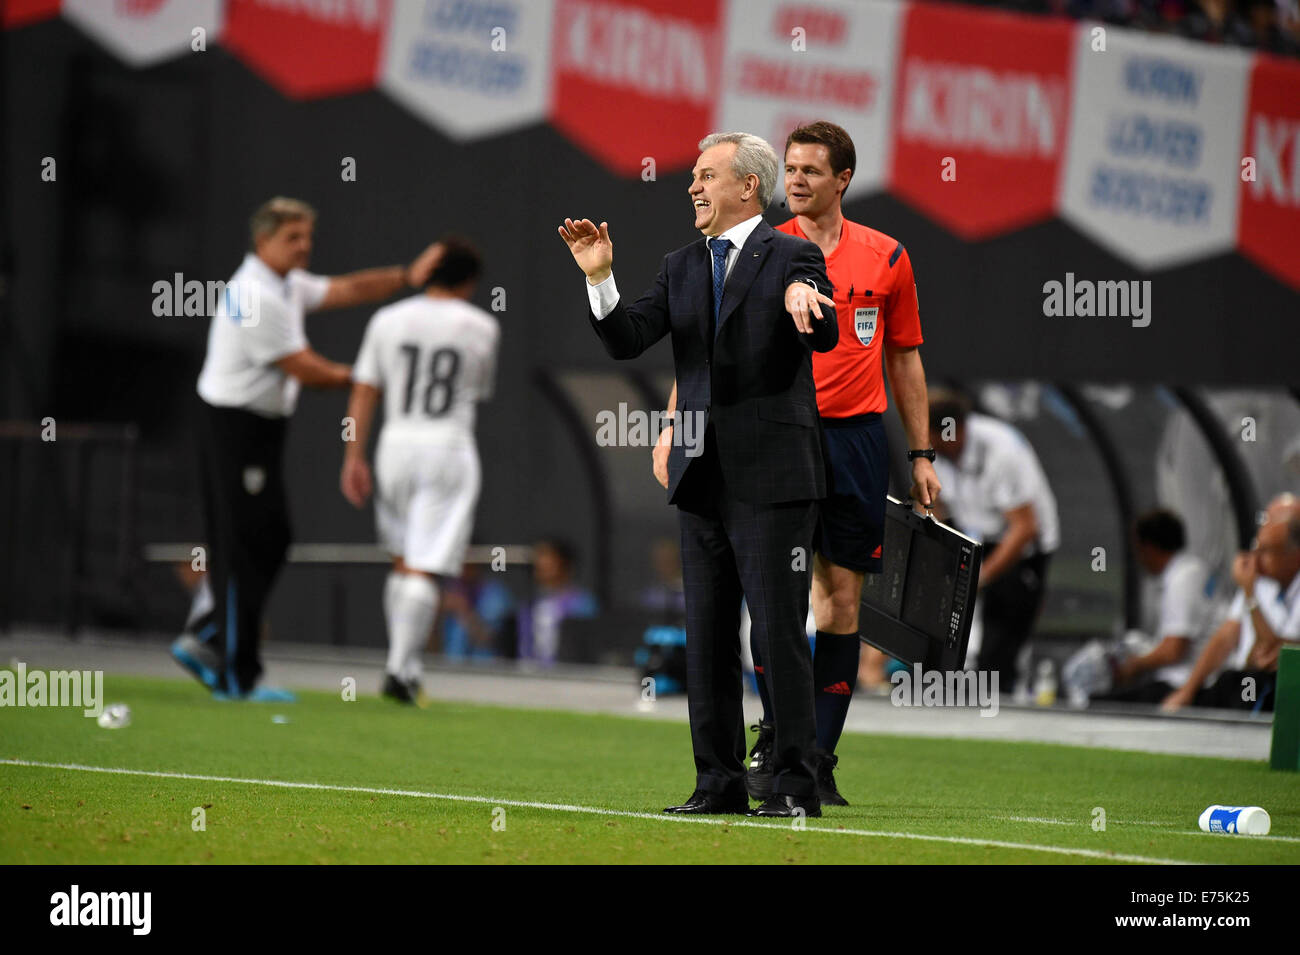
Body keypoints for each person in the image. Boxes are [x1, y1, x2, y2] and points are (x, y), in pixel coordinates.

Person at [653, 120, 941, 806]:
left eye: (814, 169)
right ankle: (780, 740)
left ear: (843, 179)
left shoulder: (887, 256)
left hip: (854, 441)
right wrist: (674, 427)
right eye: (792, 166)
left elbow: (903, 355)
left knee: (841, 601)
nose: (800, 179)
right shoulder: (756, 248)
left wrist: (922, 451)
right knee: (774, 601)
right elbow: (701, 351)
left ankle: (816, 754)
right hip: (770, 440)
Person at [560, 131, 838, 817]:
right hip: (700, 474)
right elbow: (630, 337)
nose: (692, 185)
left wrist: (807, 303)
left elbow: (821, 323)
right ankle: (716, 784)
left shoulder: (792, 254)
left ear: (748, 186)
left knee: (775, 632)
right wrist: (600, 277)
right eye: (692, 174)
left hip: (773, 478)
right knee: (708, 636)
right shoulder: (681, 265)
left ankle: (795, 784)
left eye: (706, 175)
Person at [172, 197, 443, 700]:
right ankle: (233, 671)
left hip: (258, 428)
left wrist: (407, 275)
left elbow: (347, 289)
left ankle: (207, 634)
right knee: (243, 545)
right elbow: (307, 369)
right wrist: (367, 379)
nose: (305, 246)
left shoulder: (285, 284)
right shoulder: (256, 294)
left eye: (307, 236)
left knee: (269, 538)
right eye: (292, 237)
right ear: (262, 241)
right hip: (234, 429)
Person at [339, 236, 499, 703]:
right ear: (469, 281)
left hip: (394, 443)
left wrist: (353, 455)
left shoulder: (387, 319)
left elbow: (364, 390)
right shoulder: (481, 326)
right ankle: (399, 670)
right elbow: (480, 387)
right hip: (446, 445)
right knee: (426, 567)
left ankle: (403, 667)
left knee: (403, 559)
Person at [930, 389, 1060, 695]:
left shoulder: (1002, 452)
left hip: (1021, 551)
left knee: (999, 650)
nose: (931, 445)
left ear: (956, 429)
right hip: (976, 538)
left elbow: (1025, 528)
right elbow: (938, 503)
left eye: (936, 437)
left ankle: (1002, 699)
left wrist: (980, 579)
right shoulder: (935, 450)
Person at [1161, 494, 1300, 713]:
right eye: (1257, 548)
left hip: (1275, 692)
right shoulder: (1262, 580)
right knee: (1225, 684)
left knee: (1253, 683)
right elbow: (1225, 638)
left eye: (1267, 551)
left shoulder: (1253, 584)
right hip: (1240, 679)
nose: (1256, 559)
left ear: (1295, 555)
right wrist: (1187, 691)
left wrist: (1250, 594)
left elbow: (1276, 653)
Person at [1092, 509, 1213, 704]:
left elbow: (1174, 650)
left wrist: (1134, 665)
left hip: (1181, 683)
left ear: (1148, 547)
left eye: (1137, 549)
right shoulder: (1192, 571)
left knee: (1100, 705)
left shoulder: (1182, 580)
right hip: (1187, 680)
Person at [516, 538, 598, 664]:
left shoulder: (582, 604)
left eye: (547, 556)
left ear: (564, 564)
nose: (540, 563)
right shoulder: (528, 605)